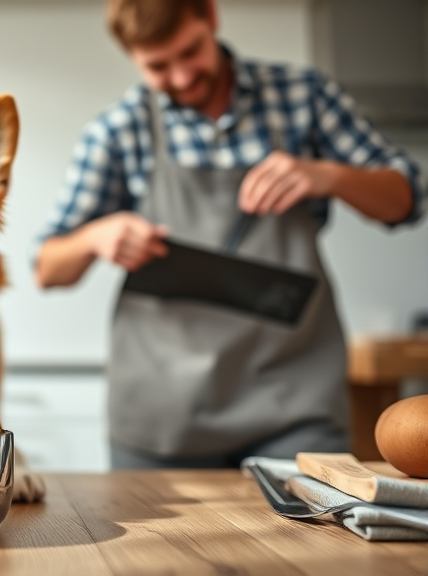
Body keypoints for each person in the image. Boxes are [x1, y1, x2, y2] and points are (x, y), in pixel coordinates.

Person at [34, 0, 425, 469]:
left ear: (211, 18)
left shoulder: (304, 97)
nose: (180, 78)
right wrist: (96, 237)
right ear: (132, 56)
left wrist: (328, 176)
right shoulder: (119, 131)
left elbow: (407, 199)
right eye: (158, 66)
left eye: (190, 52)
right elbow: (47, 267)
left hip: (295, 406)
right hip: (162, 418)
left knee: (312, 542)